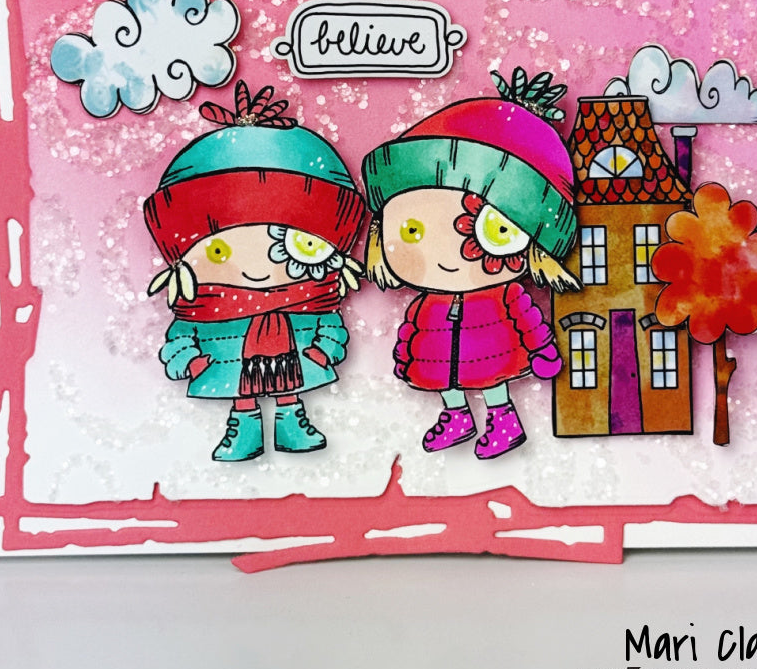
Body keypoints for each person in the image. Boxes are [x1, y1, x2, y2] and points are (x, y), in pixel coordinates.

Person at [362, 67, 579, 459]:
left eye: (493, 231)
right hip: (438, 356)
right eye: (412, 230)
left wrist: (544, 350)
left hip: (495, 352)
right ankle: (457, 416)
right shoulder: (428, 302)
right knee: (448, 386)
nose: (449, 253)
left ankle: (503, 418)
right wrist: (406, 352)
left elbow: (529, 319)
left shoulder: (506, 294)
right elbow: (414, 324)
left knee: (493, 382)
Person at [143, 81, 365, 461]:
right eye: (218, 251)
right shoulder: (202, 306)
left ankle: (291, 423)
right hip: (227, 365)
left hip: (297, 361)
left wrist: (322, 352)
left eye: (286, 247)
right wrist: (191, 361)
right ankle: (243, 429)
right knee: (242, 397)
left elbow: (328, 324)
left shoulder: (313, 298)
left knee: (288, 394)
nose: (259, 268)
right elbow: (182, 335)